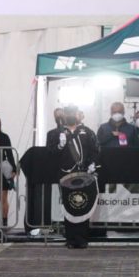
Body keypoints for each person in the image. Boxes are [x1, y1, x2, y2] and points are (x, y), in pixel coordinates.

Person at [54, 104, 100, 249]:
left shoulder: (87, 131)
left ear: (77, 114)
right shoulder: (56, 133)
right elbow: (50, 154)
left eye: (72, 113)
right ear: (64, 115)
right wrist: (59, 145)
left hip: (84, 175)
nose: (70, 115)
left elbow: (96, 150)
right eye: (68, 113)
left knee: (83, 204)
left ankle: (82, 239)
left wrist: (93, 164)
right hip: (66, 175)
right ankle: (71, 239)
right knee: (69, 205)